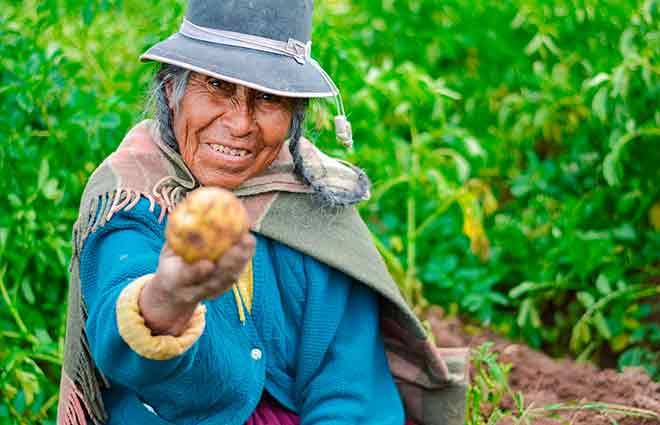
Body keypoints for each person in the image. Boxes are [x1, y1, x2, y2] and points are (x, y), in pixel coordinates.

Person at [57, 1, 468, 424]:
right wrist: (170, 297)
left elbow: (350, 391)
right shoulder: (135, 193)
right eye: (217, 86)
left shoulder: (315, 204)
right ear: (170, 89)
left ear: (294, 115)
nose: (240, 124)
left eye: (268, 97)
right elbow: (119, 314)